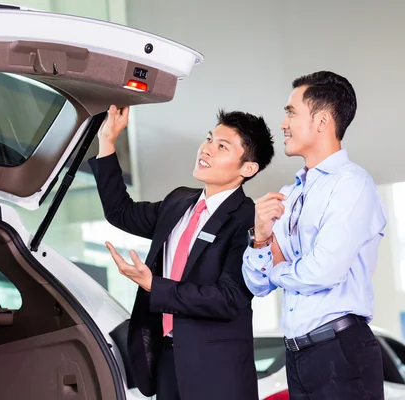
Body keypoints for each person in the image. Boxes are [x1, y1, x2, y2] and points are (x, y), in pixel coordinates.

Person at [89, 105, 275, 400]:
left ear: (247, 168)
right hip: (167, 361)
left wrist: (154, 285)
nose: (207, 149)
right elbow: (119, 212)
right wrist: (108, 141)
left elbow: (228, 299)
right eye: (209, 139)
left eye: (222, 146)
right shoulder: (178, 202)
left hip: (217, 374)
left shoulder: (248, 219)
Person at [242, 71, 386, 399]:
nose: (282, 124)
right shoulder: (288, 196)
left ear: (321, 122)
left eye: (291, 112)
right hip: (297, 355)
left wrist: (278, 267)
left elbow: (324, 270)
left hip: (341, 352)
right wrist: (261, 238)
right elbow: (257, 285)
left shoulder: (351, 184)